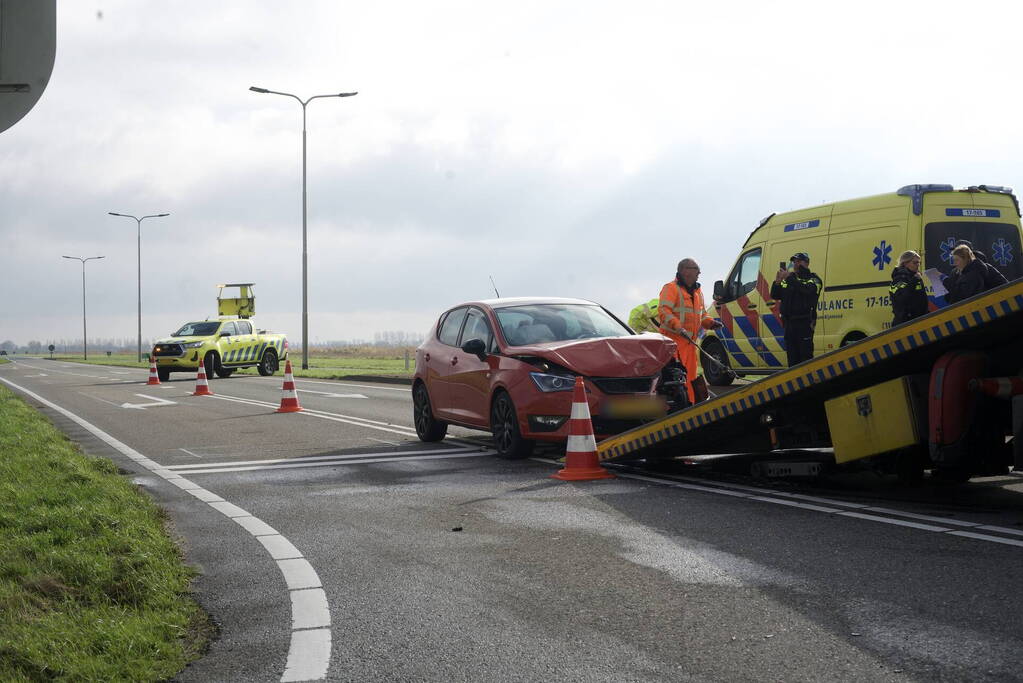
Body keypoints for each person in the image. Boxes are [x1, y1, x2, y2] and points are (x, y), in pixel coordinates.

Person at [658, 259, 723, 403]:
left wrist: (710, 323)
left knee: (690, 380)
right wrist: (678, 327)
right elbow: (663, 311)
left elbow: (702, 315)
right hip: (672, 345)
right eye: (696, 269)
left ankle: (691, 407)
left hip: (689, 345)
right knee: (678, 381)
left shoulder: (698, 291)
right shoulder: (671, 288)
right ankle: (682, 408)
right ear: (685, 271)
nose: (699, 272)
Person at [770, 252, 822, 366]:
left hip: (804, 323)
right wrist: (777, 282)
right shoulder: (790, 278)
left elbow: (808, 291)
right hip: (789, 324)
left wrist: (789, 278)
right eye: (794, 262)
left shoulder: (814, 279)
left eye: (799, 261)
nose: (796, 264)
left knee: (805, 357)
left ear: (807, 263)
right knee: (792, 359)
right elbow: (775, 295)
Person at [890, 250, 928, 326]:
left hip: (918, 319)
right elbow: (902, 298)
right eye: (915, 262)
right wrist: (914, 280)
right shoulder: (899, 278)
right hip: (905, 321)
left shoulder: (915, 276)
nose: (917, 265)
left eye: (919, 263)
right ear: (905, 263)